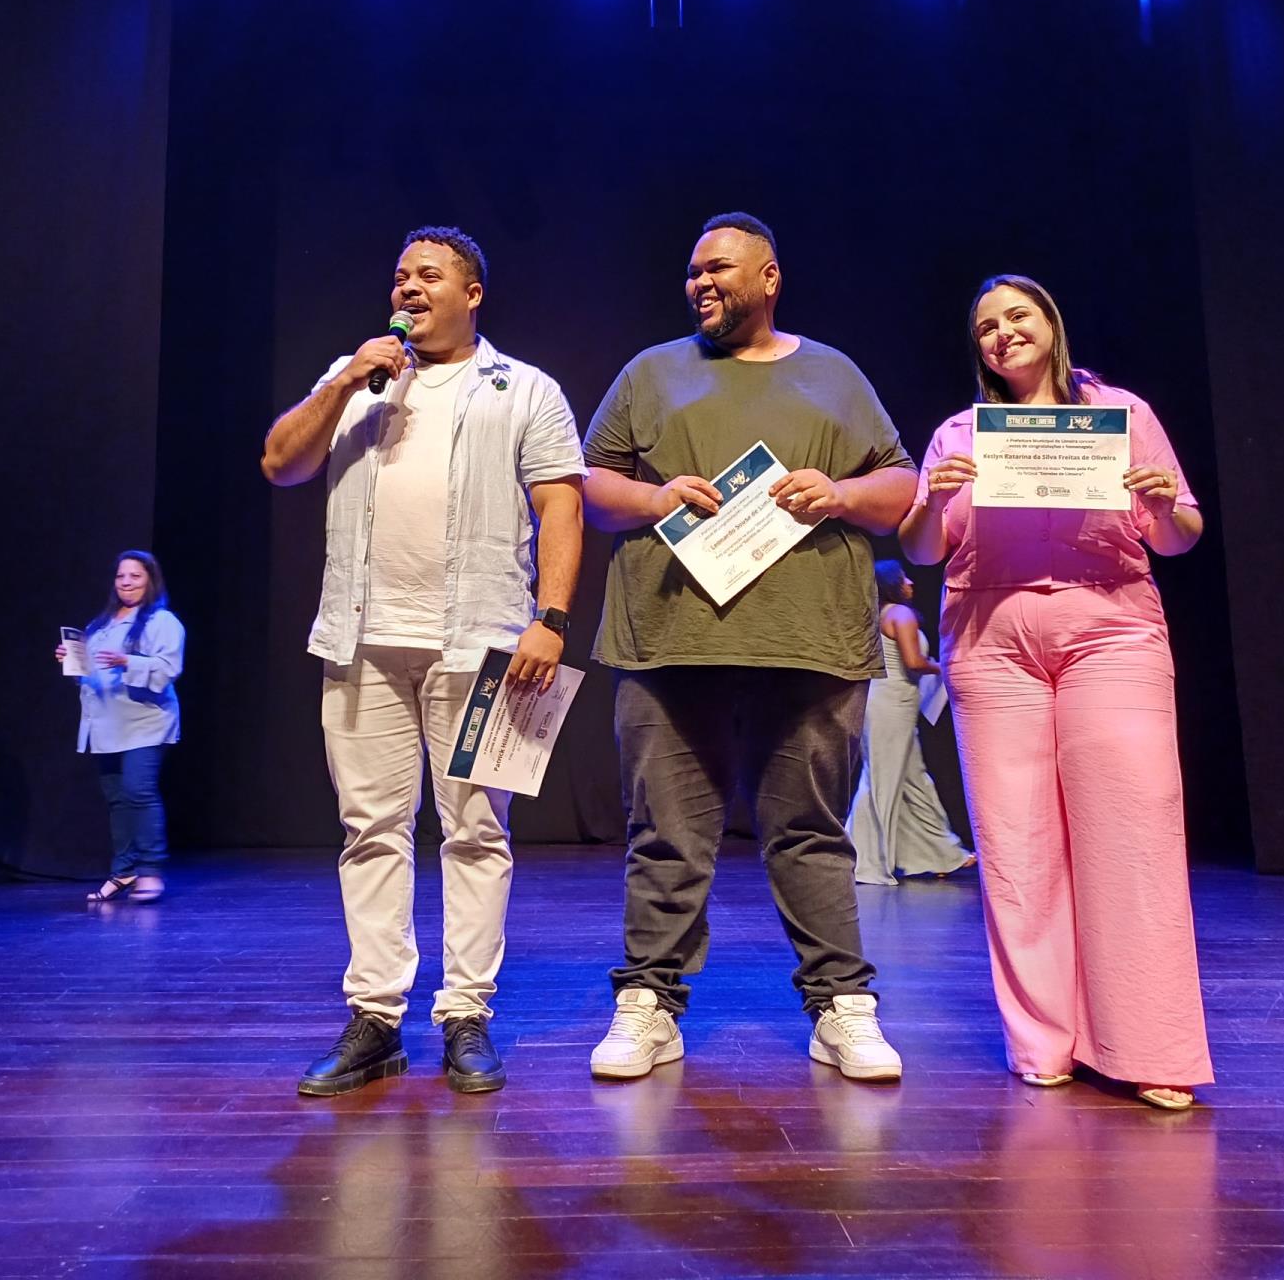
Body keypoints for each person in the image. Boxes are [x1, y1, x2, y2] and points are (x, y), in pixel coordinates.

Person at [582, 212, 917, 1084]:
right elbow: (591, 486)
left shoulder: (834, 373)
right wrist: (655, 500)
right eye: (693, 270)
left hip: (809, 642)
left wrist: (839, 493)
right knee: (664, 833)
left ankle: (841, 1007)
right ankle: (649, 1003)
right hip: (669, 642)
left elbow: (902, 486)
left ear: (769, 278)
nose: (700, 282)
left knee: (812, 834)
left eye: (719, 268)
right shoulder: (650, 372)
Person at [262, 225, 585, 1098]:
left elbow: (561, 506)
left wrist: (551, 619)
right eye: (401, 274)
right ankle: (375, 1019)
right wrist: (344, 382)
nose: (408, 287)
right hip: (361, 639)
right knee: (371, 829)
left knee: (476, 831)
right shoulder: (356, 378)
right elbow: (280, 463)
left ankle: (466, 1014)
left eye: (428, 275)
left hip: (480, 642)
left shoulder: (524, 388)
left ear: (471, 294)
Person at [898, 274, 1212, 1110]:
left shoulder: (1122, 415)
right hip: (991, 639)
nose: (1003, 333)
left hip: (1111, 628)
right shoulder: (961, 433)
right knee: (1017, 843)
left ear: (1051, 323)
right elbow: (923, 550)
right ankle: (1042, 1040)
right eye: (986, 327)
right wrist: (932, 501)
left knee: (1135, 831)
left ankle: (1149, 1043)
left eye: (1018, 316)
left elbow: (1179, 536)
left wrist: (1162, 506)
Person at [56, 551, 183, 905]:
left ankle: (150, 870)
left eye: (135, 576)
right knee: (117, 799)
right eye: (121, 576)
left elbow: (168, 669)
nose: (126, 582)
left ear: (150, 581)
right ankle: (124, 869)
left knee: (138, 791)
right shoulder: (100, 626)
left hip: (145, 722)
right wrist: (73, 663)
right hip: (106, 724)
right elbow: (90, 677)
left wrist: (128, 661)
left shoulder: (162, 622)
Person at [847, 559, 975, 885]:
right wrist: (947, 666)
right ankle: (863, 861)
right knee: (882, 781)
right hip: (891, 704)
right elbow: (914, 662)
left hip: (890, 702)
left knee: (914, 781)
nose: (911, 583)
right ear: (892, 584)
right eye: (904, 578)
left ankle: (941, 853)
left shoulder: (878, 614)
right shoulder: (901, 615)